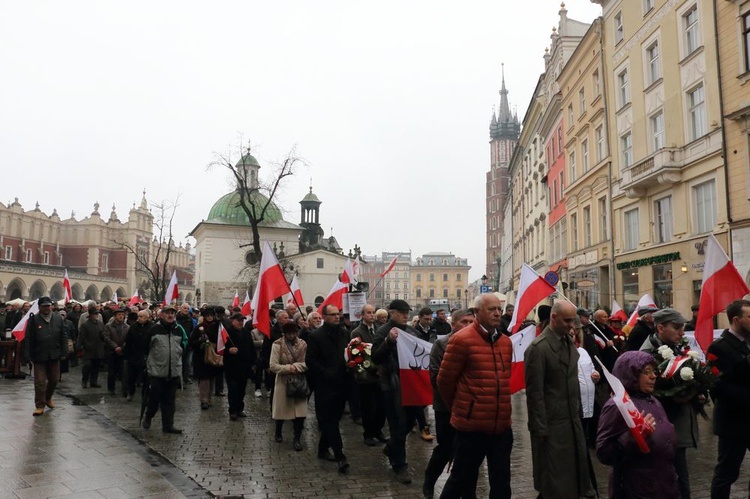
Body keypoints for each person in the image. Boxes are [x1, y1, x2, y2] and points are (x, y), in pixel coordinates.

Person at [437, 294, 513, 499]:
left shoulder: (506, 342)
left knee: (502, 483)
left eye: (499, 308)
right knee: (460, 479)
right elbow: (444, 381)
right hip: (472, 427)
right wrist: (462, 409)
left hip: (501, 426)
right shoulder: (461, 340)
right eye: (491, 309)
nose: (497, 313)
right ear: (477, 313)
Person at [525, 300, 594, 499]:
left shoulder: (567, 342)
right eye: (567, 321)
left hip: (572, 421)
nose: (571, 325)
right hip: (552, 425)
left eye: (573, 321)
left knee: (572, 476)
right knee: (554, 480)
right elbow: (534, 394)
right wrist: (540, 429)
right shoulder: (539, 349)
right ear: (553, 318)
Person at [596, 350, 679, 497]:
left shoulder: (653, 400)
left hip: (663, 485)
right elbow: (604, 452)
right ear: (631, 374)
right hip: (637, 489)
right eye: (646, 372)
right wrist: (633, 437)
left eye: (654, 371)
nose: (653, 376)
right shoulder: (617, 405)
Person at [640, 307, 700, 499]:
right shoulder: (647, 355)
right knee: (673, 482)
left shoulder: (675, 346)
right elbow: (649, 393)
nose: (682, 332)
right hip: (665, 427)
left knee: (680, 479)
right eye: (676, 327)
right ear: (660, 328)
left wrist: (698, 391)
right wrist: (678, 396)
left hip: (678, 425)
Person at [423, 308, 475, 499]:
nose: (469, 326)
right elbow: (436, 377)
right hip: (446, 406)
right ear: (454, 325)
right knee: (445, 448)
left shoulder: (477, 343)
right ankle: (429, 479)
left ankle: (469, 491)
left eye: (472, 322)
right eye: (464, 322)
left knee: (467, 452)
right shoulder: (441, 344)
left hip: (469, 408)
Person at [372, 299, 420, 485]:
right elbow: (376, 357)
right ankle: (399, 465)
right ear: (391, 313)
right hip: (391, 385)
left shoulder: (412, 332)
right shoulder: (383, 332)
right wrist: (388, 342)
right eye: (401, 312)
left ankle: (392, 446)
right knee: (397, 424)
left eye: (407, 312)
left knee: (410, 421)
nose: (405, 315)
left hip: (411, 384)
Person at [708, 299, 750, 498]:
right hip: (733, 422)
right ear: (736, 319)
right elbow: (718, 386)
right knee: (727, 472)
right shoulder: (719, 348)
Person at [306, 304, 354, 473]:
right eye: (332, 315)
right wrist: (326, 373)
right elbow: (311, 361)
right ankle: (340, 456)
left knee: (334, 418)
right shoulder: (315, 336)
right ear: (324, 316)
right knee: (331, 420)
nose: (336, 317)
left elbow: (349, 353)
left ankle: (322, 449)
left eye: (338, 314)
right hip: (325, 385)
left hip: (342, 383)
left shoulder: (344, 333)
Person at [142, 304, 184, 434]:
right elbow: (145, 347)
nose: (170, 315)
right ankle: (149, 416)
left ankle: (168, 426)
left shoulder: (178, 329)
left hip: (173, 371)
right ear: (161, 315)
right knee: (154, 399)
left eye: (172, 313)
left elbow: (182, 345)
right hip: (157, 372)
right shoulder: (154, 329)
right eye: (167, 313)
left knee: (169, 401)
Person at [22, 296, 67, 416]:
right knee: (40, 382)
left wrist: (64, 351)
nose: (47, 308)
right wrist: (27, 355)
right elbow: (28, 338)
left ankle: (48, 398)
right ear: (39, 307)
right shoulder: (33, 320)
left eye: (48, 305)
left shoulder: (58, 318)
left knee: (54, 379)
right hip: (39, 355)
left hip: (54, 354)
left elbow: (63, 335)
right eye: (44, 306)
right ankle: (40, 405)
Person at [350, 304, 387, 446]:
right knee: (367, 407)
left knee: (381, 406)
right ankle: (368, 434)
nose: (372, 315)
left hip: (380, 374)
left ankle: (378, 430)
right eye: (369, 313)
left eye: (373, 312)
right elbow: (357, 354)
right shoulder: (357, 332)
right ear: (362, 315)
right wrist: (372, 368)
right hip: (365, 376)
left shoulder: (379, 329)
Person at [269, 321, 308, 450]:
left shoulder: (303, 344)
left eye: (294, 333)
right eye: (289, 333)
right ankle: (278, 431)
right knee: (282, 409)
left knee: (299, 412)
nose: (292, 336)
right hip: (283, 381)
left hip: (299, 380)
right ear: (284, 334)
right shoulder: (277, 345)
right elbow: (273, 365)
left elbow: (306, 362)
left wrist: (295, 367)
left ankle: (297, 438)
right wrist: (287, 368)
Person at [224, 313, 256, 421]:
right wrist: (228, 350)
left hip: (244, 366)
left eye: (242, 321)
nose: (240, 323)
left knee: (242, 390)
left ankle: (239, 409)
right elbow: (220, 348)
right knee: (233, 389)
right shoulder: (227, 333)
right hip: (232, 366)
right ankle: (232, 410)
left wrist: (253, 362)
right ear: (232, 320)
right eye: (238, 320)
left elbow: (251, 348)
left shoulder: (246, 333)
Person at [190, 307, 221, 410]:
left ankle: (209, 398)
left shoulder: (217, 327)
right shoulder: (199, 328)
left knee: (211, 378)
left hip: (213, 356)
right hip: (201, 357)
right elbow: (192, 342)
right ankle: (204, 400)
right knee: (204, 379)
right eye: (207, 316)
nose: (210, 317)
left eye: (211, 316)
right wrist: (200, 341)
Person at [124, 310, 152, 401]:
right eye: (138, 316)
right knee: (131, 376)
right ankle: (130, 393)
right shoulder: (133, 327)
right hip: (134, 355)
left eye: (142, 316)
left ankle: (146, 395)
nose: (139, 318)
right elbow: (128, 341)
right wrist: (127, 355)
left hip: (146, 355)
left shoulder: (152, 327)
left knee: (146, 378)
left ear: (147, 318)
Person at [103, 307, 129, 396]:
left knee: (123, 372)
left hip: (123, 352)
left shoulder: (127, 327)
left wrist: (122, 347)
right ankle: (111, 389)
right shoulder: (108, 326)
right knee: (112, 372)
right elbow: (107, 338)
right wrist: (115, 347)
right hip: (111, 352)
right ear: (115, 316)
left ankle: (124, 389)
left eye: (122, 315)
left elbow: (128, 339)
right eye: (119, 315)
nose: (121, 316)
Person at [78, 306, 105, 388]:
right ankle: (84, 381)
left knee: (96, 366)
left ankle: (94, 381)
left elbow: (103, 335)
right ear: (90, 315)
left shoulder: (100, 324)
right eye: (94, 314)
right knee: (87, 366)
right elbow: (82, 337)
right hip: (88, 349)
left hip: (98, 348)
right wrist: (82, 346)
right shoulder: (85, 325)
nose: (96, 315)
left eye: (97, 314)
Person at [176, 303, 195, 385]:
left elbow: (192, 331)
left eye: (188, 308)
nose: (186, 310)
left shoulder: (190, 320)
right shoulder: (176, 318)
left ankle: (185, 378)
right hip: (177, 343)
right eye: (184, 308)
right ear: (180, 308)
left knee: (186, 362)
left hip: (187, 344)